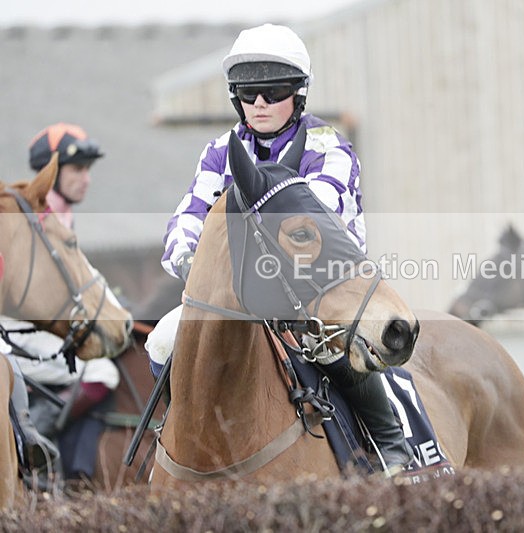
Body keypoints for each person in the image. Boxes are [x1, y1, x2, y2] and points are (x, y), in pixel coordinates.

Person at [145, 23, 414, 475]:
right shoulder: (219, 152)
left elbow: (315, 218)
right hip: (240, 297)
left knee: (331, 349)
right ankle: (182, 437)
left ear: (299, 95)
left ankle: (391, 449)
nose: (260, 104)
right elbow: (189, 216)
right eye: (248, 94)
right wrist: (190, 256)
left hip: (318, 288)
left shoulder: (328, 146)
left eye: (273, 91)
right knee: (163, 341)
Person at [0, 123, 122, 485]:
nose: (86, 179)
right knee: (102, 372)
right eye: (77, 170)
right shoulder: (38, 218)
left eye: (88, 170)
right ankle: (35, 438)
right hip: (17, 332)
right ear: (48, 175)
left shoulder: (58, 215)